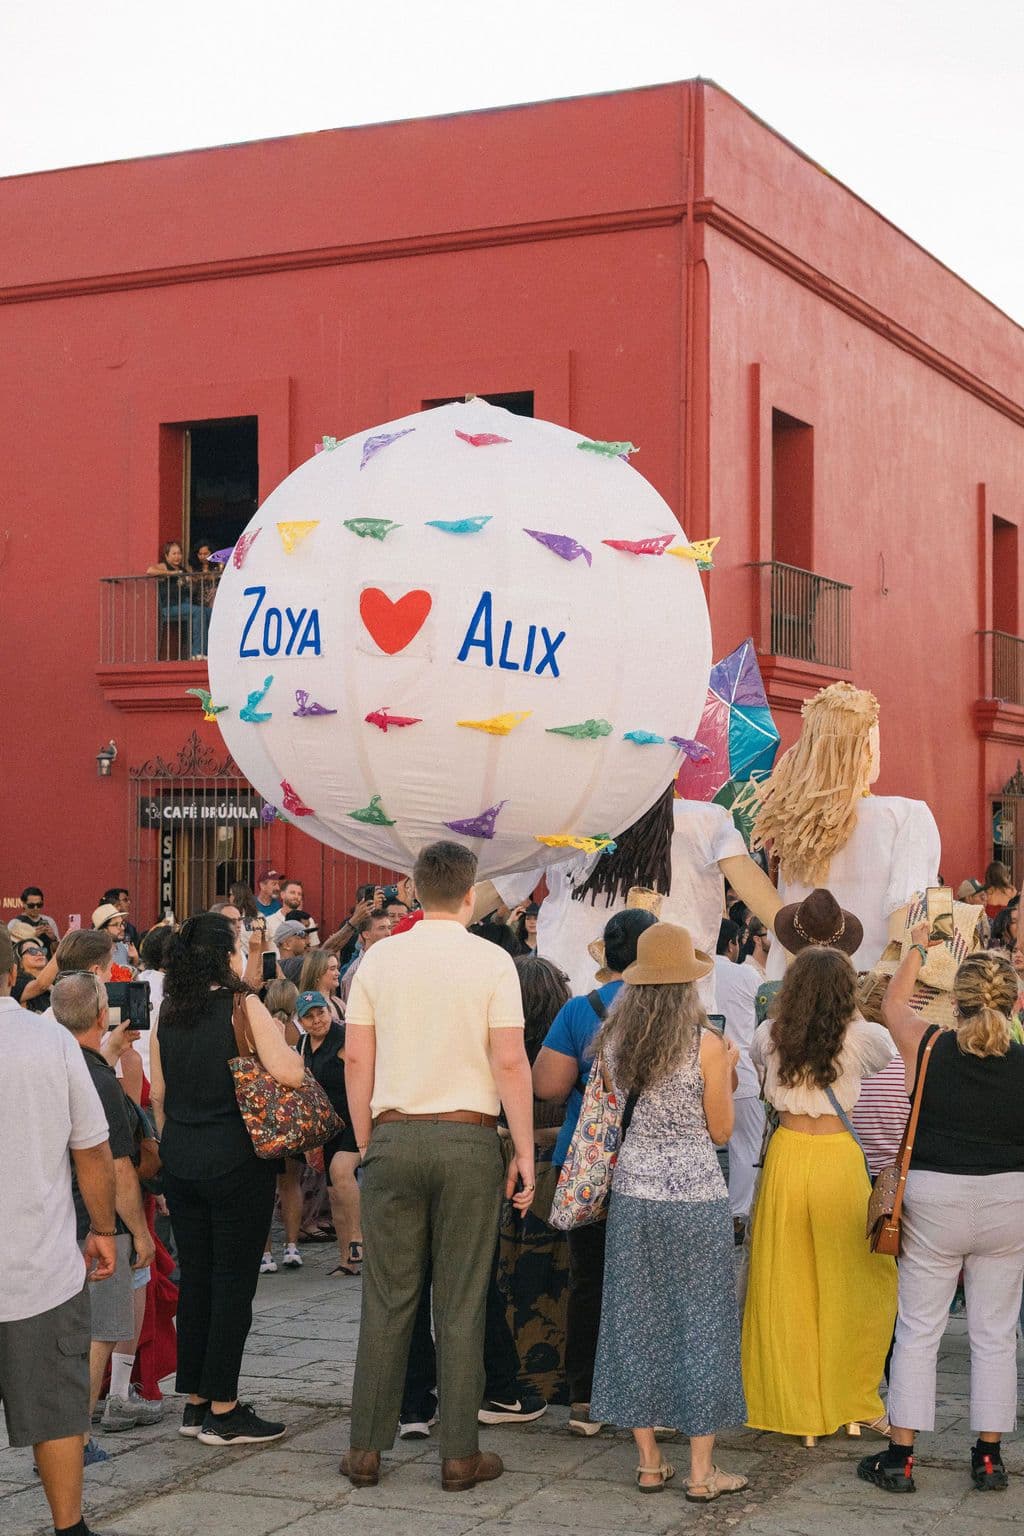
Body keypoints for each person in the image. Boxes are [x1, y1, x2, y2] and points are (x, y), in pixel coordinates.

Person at [341, 840, 534, 1494]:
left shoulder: (378, 958)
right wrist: (526, 1153)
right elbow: (510, 1061)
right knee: (461, 1299)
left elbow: (355, 1059)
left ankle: (365, 1449)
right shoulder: (492, 960)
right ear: (471, 891)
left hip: (394, 1134)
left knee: (387, 1299)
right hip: (468, 1138)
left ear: (416, 891)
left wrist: (369, 1139)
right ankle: (459, 1454)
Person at [857, 936, 1024, 1495]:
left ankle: (901, 1457)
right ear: (1014, 1005)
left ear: (956, 1002)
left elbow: (890, 1005)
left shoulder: (926, 1045)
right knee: (996, 1334)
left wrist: (915, 947)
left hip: (934, 1196)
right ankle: (989, 1457)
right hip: (1009, 1197)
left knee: (919, 1329)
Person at [588, 924, 748, 1500]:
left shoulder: (613, 1043)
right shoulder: (705, 1044)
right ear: (689, 984)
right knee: (702, 1322)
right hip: (695, 1197)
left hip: (633, 1194)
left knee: (635, 1321)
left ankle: (650, 1461)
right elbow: (723, 1130)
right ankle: (703, 1472)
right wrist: (727, 1066)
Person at [149, 912, 306, 1445]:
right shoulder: (243, 1005)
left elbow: (159, 1095)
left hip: (183, 1158)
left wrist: (176, 1148)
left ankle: (195, 1402)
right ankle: (224, 1407)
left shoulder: (168, 1010)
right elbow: (290, 1072)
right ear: (225, 954)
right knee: (233, 1284)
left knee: (197, 1280)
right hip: (236, 1159)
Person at [742, 933, 898, 1445]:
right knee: (856, 1283)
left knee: (787, 1286)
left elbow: (763, 1062)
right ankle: (855, 1401)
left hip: (787, 1157)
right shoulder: (862, 1038)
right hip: (837, 1160)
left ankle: (797, 1406)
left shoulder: (768, 1034)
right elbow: (887, 1048)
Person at [0, 925, 119, 1536]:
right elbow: (92, 1150)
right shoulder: (48, 1042)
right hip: (36, 1264)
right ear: (10, 973)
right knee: (55, 1407)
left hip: (36, 1262)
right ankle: (68, 1526)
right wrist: (103, 1227)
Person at [532, 907, 658, 1436]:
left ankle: (584, 1398)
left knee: (589, 1281)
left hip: (588, 1161)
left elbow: (548, 1087)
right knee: (651, 1284)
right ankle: (647, 1399)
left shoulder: (580, 1010)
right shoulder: (672, 1009)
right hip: (655, 1162)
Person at [492, 784, 782, 1004]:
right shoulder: (564, 825)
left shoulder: (703, 821)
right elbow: (494, 887)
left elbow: (486, 892)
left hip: (659, 1014)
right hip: (607, 1009)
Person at [751, 683, 940, 977]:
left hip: (791, 994)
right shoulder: (906, 816)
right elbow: (906, 918)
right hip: (865, 994)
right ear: (863, 749)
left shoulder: (794, 823)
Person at [51, 974, 156, 1458]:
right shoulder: (100, 1082)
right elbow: (118, 1168)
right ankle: (79, 1437)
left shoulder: (52, 1064)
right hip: (96, 1222)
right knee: (103, 1329)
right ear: (100, 1015)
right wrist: (138, 1232)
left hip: (54, 1216)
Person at [496, 955, 572, 1407]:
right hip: (560, 1169)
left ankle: (514, 1371)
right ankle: (559, 1374)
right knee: (560, 1275)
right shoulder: (569, 1045)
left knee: (509, 1272)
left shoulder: (502, 1045)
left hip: (508, 1166)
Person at [297, 989, 364, 1277]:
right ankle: (345, 1259)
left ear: (329, 1011)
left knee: (340, 1171)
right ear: (301, 1021)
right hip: (327, 1127)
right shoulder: (301, 1045)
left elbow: (364, 1073)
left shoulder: (344, 1038)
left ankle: (359, 1237)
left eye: (320, 1012)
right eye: (309, 1017)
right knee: (335, 1194)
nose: (316, 1020)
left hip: (353, 1120)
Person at [712, 919, 763, 1243]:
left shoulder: (699, 973)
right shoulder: (746, 974)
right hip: (742, 1068)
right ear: (733, 943)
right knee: (747, 1147)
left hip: (703, 1067)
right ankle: (737, 1215)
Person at [259, 980, 305, 1276]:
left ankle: (265, 1253)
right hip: (293, 1115)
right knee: (292, 1184)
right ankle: (292, 1245)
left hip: (266, 1114)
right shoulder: (298, 1033)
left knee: (264, 1188)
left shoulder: (262, 1030)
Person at [146, 540, 209, 658]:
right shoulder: (164, 566)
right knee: (198, 612)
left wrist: (192, 580)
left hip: (184, 604)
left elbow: (190, 586)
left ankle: (207, 652)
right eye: (174, 554)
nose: (177, 556)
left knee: (209, 612)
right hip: (170, 606)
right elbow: (150, 570)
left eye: (179, 553)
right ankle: (197, 653)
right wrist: (172, 573)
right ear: (166, 555)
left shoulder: (183, 570)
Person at [13, 932, 57, 1012]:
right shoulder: (15, 982)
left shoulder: (56, 981)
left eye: (42, 950)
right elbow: (40, 985)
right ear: (19, 960)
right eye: (32, 951)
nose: (39, 953)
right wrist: (62, 949)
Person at [299, 947, 344, 1023]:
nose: (338, 973)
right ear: (317, 973)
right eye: (332, 969)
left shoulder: (338, 1002)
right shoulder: (305, 1004)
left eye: (337, 968)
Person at [91, 903, 137, 969]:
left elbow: (130, 976)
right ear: (103, 930)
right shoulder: (95, 953)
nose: (122, 928)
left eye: (122, 923)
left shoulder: (124, 947)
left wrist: (135, 960)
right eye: (116, 925)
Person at [16, 885, 60, 951]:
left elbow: (58, 951)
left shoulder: (49, 921)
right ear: (23, 904)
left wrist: (53, 938)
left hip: (47, 960)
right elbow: (11, 950)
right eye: (31, 905)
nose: (36, 908)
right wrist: (31, 935)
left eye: (39, 905)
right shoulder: (15, 923)